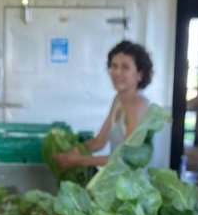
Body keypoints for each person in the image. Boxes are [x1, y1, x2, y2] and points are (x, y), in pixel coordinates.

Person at [53, 40, 153, 172]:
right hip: (115, 179)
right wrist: (73, 150)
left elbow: (126, 158)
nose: (117, 72)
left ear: (140, 75)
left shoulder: (138, 105)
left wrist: (80, 160)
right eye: (113, 66)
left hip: (132, 186)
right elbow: (99, 142)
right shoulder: (118, 99)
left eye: (125, 67)